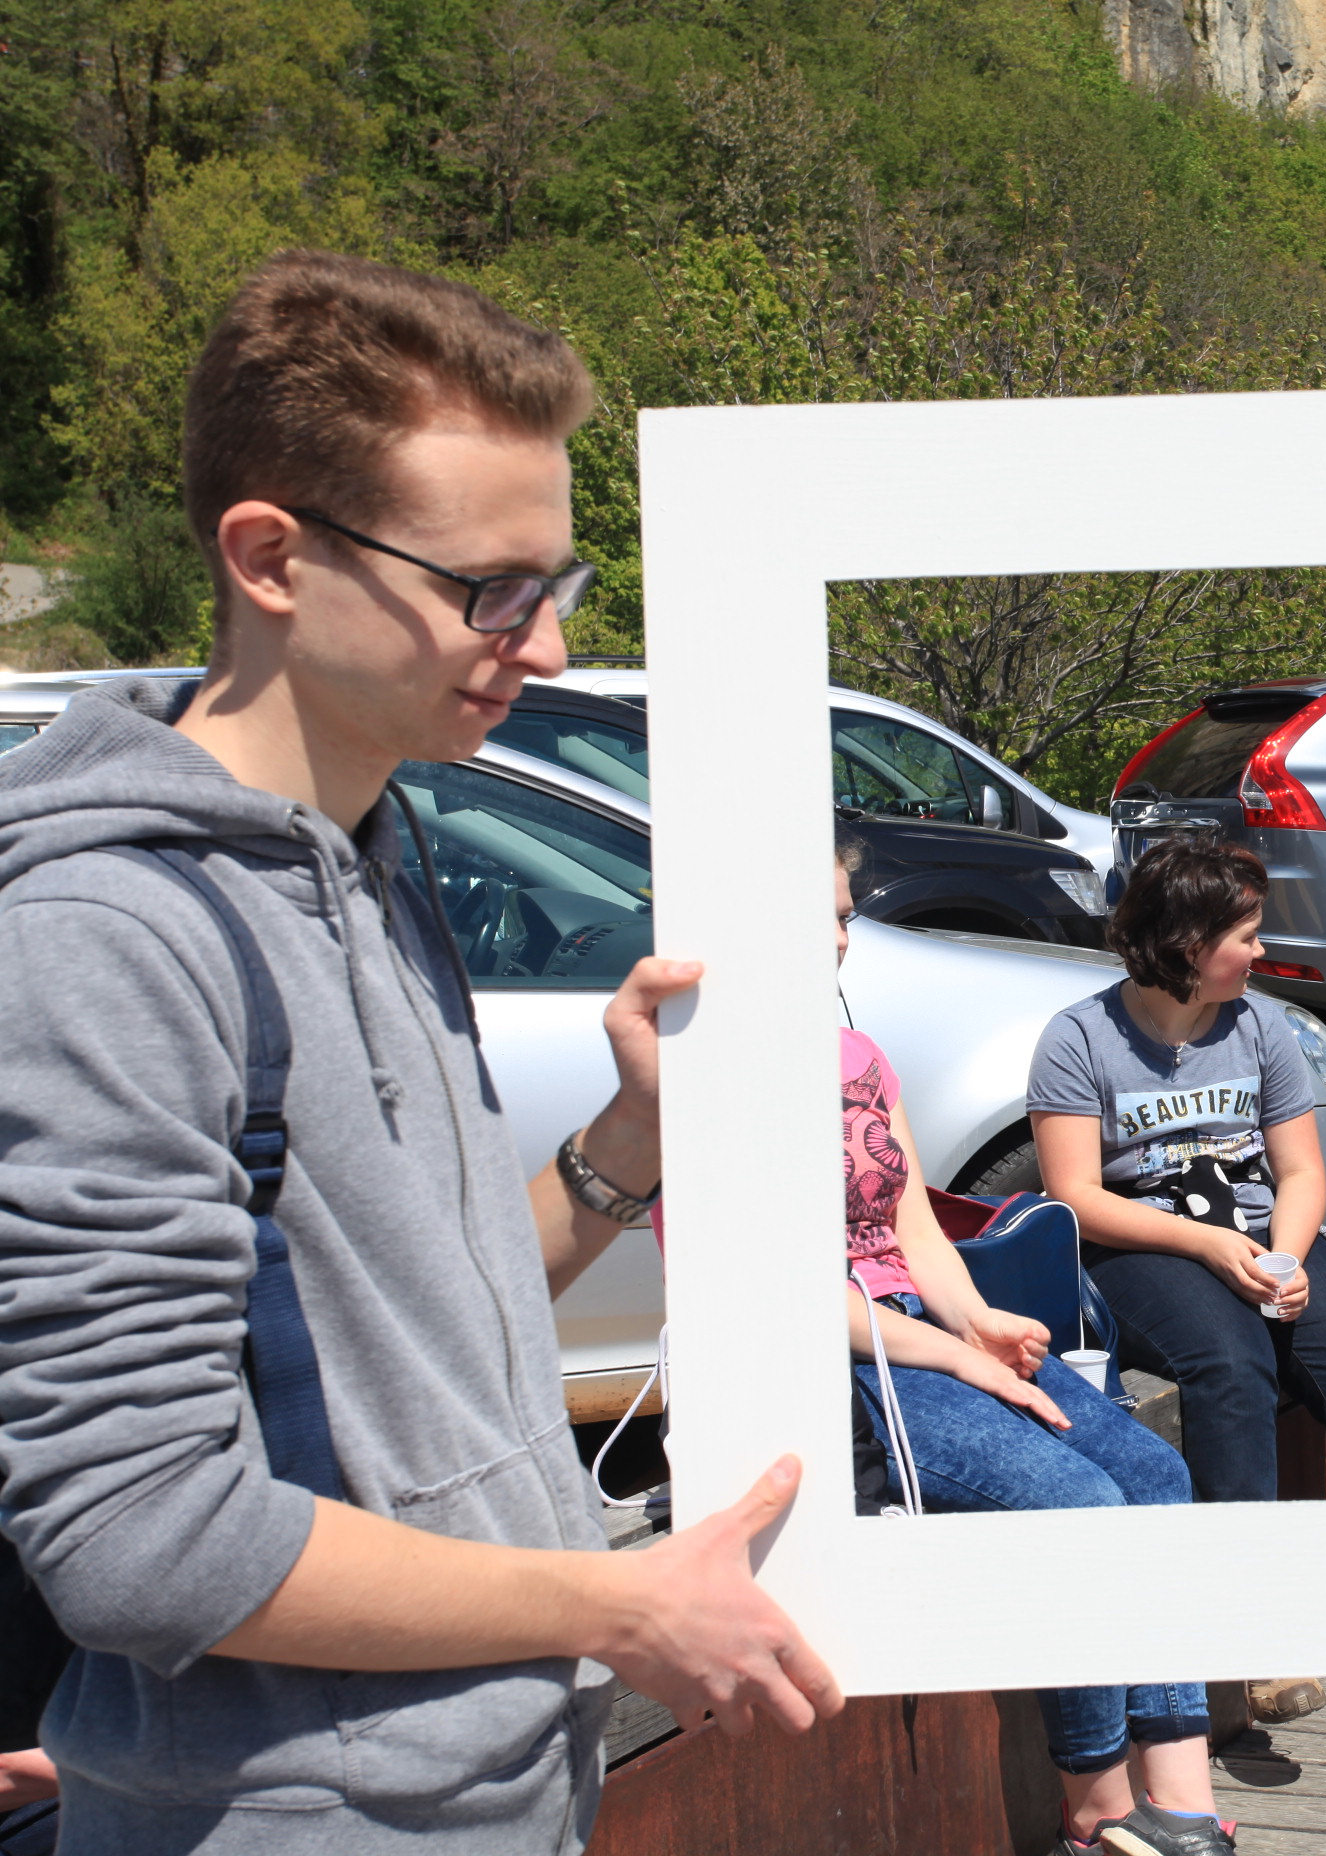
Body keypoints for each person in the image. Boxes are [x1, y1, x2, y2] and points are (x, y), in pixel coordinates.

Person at [0, 252, 837, 1852]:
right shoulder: (102, 936)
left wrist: (623, 1151)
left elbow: (402, 1330)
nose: (546, 648)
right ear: (272, 557)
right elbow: (141, 1536)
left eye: (556, 586)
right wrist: (617, 1604)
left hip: (490, 1789)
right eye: (490, 591)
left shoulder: (374, 852)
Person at [823, 842, 1230, 1856]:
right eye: (819, 918)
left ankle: (1182, 1799)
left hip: (920, 1325)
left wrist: (976, 1322)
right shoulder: (705, 1082)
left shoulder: (857, 1056)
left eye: (843, 915)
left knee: (1154, 1472)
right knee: (1079, 1506)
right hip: (845, 1363)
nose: (840, 940)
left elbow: (913, 1226)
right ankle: (1097, 1811)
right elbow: (777, 1296)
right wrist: (952, 1356)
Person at [1028, 837, 1326, 1496]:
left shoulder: (1262, 1026)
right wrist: (1206, 1245)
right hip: (1139, 1243)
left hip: (1260, 1233)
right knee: (1234, 1371)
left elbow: (1300, 1173)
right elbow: (1075, 1196)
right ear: (1189, 945)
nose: (1260, 952)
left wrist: (1287, 1260)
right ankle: (1240, 1555)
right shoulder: (1078, 1038)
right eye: (1246, 936)